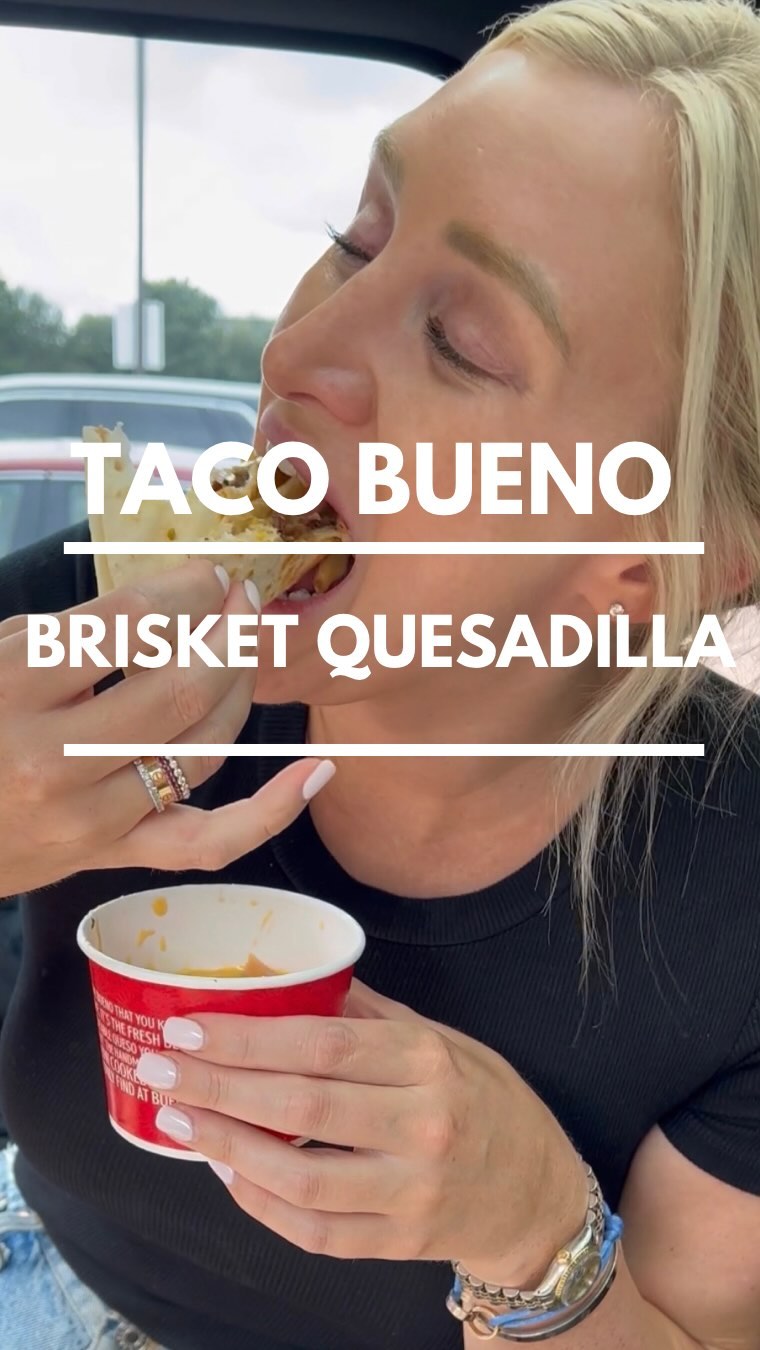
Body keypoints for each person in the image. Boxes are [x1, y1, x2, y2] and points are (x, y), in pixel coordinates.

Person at [1, 0, 760, 1346]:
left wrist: (534, 1229)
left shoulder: (734, 896)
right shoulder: (83, 633)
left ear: (651, 562)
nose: (292, 356)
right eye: (356, 236)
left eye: (461, 344)